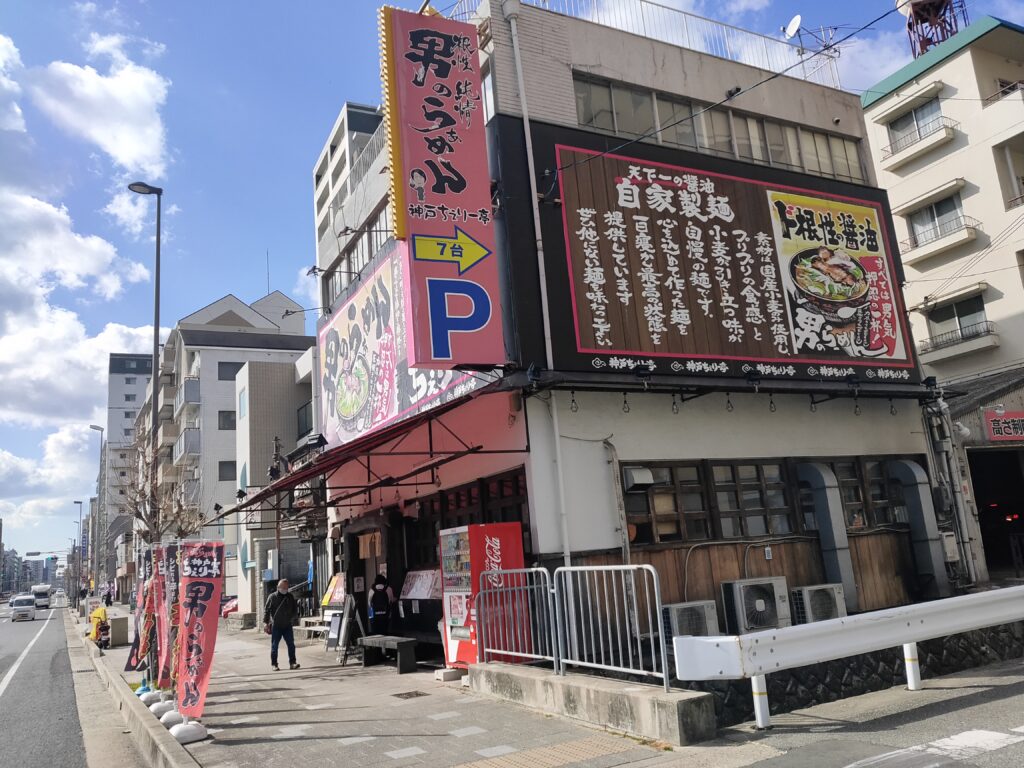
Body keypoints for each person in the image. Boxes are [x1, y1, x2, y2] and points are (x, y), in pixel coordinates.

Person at [263, 579, 300, 671]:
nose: (285, 589)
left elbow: (295, 609)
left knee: (291, 644)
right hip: (276, 625)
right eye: (283, 587)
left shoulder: (290, 597)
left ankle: (292, 662)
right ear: (278, 587)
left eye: (286, 587)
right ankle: (274, 664)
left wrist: (291, 618)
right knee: (274, 646)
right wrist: (265, 623)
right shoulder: (272, 597)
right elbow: (266, 610)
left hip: (287, 625)